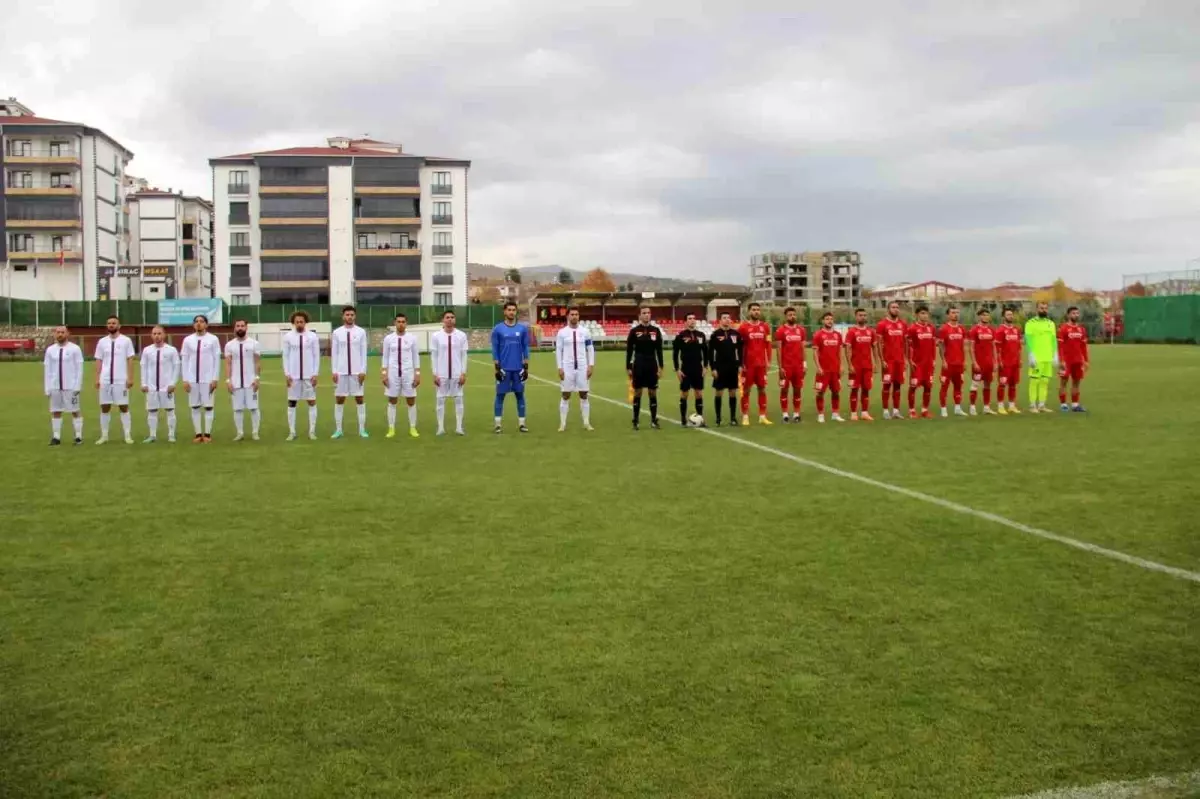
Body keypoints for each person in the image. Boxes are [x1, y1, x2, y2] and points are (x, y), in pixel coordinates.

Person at [93, 314, 135, 444]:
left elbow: (130, 359)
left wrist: (130, 378)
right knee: (105, 407)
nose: (111, 325)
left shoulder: (126, 341)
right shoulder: (102, 341)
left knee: (123, 406)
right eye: (109, 323)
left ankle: (127, 435)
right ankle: (104, 436)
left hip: (120, 380)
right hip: (105, 379)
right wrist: (97, 377)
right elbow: (99, 360)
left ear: (119, 325)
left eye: (114, 323)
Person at [180, 314, 222, 442]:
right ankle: (198, 434)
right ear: (193, 325)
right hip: (192, 379)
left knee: (208, 406)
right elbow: (185, 360)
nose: (199, 323)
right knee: (195, 406)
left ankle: (207, 434)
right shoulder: (187, 340)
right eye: (196, 321)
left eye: (202, 321)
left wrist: (215, 378)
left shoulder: (213, 339)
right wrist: (185, 379)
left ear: (206, 324)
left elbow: (217, 360)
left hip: (207, 379)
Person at [491, 301, 531, 433]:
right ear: (504, 311)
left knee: (520, 395)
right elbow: (495, 348)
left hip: (518, 368)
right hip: (504, 368)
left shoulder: (522, 329)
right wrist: (497, 367)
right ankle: (497, 424)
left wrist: (526, 366)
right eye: (509, 310)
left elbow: (525, 347)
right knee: (500, 396)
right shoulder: (498, 329)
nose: (511, 312)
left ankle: (522, 424)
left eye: (514, 310)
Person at [330, 305, 369, 439]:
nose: (349, 317)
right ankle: (339, 429)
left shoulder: (361, 332)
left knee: (359, 399)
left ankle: (362, 430)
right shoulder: (336, 333)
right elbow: (334, 353)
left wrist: (363, 371)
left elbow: (363, 353)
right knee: (339, 399)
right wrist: (334, 371)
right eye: (347, 314)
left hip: (357, 372)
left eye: (352, 314)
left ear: (355, 316)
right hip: (341, 372)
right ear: (343, 316)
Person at [380, 313, 421, 438]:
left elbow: (415, 357)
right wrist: (384, 374)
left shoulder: (412, 338)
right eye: (398, 321)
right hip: (392, 373)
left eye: (403, 321)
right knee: (392, 400)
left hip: (408, 373)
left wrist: (417, 374)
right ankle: (391, 428)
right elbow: (385, 357)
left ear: (406, 323)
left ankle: (412, 427)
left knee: (411, 400)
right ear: (395, 323)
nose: (401, 324)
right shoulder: (388, 339)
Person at [282, 310, 321, 440]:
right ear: (293, 322)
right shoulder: (288, 337)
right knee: (292, 402)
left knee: (311, 402)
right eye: (297, 321)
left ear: (305, 322)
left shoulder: (312, 337)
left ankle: (312, 431)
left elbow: (316, 356)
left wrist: (315, 373)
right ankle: (292, 432)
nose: (299, 324)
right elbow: (285, 356)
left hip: (308, 376)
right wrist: (287, 374)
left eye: (302, 321)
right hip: (293, 376)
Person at [555, 307, 595, 432]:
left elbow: (590, 349)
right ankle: (562, 424)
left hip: (582, 366)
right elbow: (558, 350)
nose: (574, 316)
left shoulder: (585, 331)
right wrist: (560, 367)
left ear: (579, 316)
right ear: (568, 316)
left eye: (576, 314)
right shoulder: (562, 332)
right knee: (566, 394)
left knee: (584, 394)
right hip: (567, 367)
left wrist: (591, 365)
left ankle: (586, 423)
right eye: (572, 314)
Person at [625, 305, 664, 430]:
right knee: (638, 392)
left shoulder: (656, 330)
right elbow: (629, 350)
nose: (647, 315)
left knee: (652, 392)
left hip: (652, 364)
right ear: (640, 316)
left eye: (648, 312)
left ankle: (653, 420)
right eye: (644, 313)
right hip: (639, 364)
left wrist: (661, 366)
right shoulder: (634, 331)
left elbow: (659, 350)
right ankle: (635, 420)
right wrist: (628, 366)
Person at [43, 325, 84, 445]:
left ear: (68, 334)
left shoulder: (75, 349)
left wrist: (78, 385)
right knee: (56, 411)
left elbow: (79, 368)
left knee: (75, 411)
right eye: (58, 332)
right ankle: (56, 437)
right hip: (55, 386)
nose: (60, 334)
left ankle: (78, 437)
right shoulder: (50, 350)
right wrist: (47, 387)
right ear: (54, 334)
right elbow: (48, 369)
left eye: (62, 332)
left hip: (70, 386)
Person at [430, 310, 468, 435]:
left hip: (457, 373)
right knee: (440, 400)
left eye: (452, 317)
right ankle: (440, 427)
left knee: (459, 399)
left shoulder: (461, 335)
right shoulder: (436, 336)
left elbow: (464, 355)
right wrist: (435, 373)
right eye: (447, 317)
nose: (450, 319)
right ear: (443, 320)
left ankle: (459, 427)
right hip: (442, 373)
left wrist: (463, 372)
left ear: (455, 320)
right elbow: (434, 356)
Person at [140, 325, 179, 443]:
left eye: (159, 333)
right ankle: (152, 435)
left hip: (166, 386)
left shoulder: (171, 350)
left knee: (170, 410)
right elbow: (144, 367)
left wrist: (173, 383)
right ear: (151, 335)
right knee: (152, 411)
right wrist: (143, 383)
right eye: (154, 334)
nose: (157, 336)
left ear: (164, 335)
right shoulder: (147, 350)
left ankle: (171, 435)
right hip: (151, 386)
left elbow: (176, 367)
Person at [224, 319, 262, 441]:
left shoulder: (254, 343)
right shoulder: (229, 345)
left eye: (242, 326)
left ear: (246, 327)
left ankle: (255, 432)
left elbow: (257, 362)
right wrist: (228, 381)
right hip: (236, 382)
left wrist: (257, 378)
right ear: (235, 328)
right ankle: (239, 433)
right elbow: (228, 364)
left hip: (251, 382)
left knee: (254, 408)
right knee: (237, 409)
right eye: (238, 326)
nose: (240, 328)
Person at [737, 302, 772, 425]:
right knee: (746, 390)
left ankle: (762, 416)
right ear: (749, 312)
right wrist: (741, 364)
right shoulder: (743, 328)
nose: (756, 311)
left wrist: (768, 361)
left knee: (762, 389)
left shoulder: (765, 327)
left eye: (758, 309)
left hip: (761, 365)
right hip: (748, 365)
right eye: (753, 309)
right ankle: (745, 416)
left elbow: (768, 345)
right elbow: (739, 347)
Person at [672, 313, 707, 427]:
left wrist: (705, 366)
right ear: (685, 322)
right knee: (684, 394)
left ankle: (700, 419)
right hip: (685, 368)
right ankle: (683, 419)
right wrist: (677, 369)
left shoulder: (701, 335)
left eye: (694, 318)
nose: (692, 320)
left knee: (699, 393)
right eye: (689, 319)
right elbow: (675, 353)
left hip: (698, 368)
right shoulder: (681, 335)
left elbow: (706, 352)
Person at [707, 312, 742, 426]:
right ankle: (718, 418)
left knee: (732, 393)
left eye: (728, 318)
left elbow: (740, 351)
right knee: (719, 393)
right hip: (720, 368)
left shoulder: (736, 334)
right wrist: (713, 368)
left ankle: (733, 418)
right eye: (724, 318)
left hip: (733, 367)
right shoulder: (715, 334)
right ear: (720, 320)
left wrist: (740, 365)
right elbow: (710, 353)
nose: (727, 320)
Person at [875, 301, 907, 420]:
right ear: (888, 309)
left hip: (899, 361)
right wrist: (882, 359)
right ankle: (885, 411)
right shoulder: (882, 324)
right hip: (888, 361)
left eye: (897, 307)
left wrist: (905, 359)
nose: (895, 309)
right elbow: (878, 344)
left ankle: (896, 411)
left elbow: (905, 343)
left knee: (898, 385)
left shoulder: (903, 324)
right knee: (887, 385)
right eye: (893, 307)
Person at [1024, 300, 1057, 413]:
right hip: (1037, 357)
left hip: (1048, 357)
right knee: (1034, 381)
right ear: (1037, 309)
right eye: (1041, 308)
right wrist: (1031, 354)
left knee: (1045, 381)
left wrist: (1055, 354)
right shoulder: (1030, 323)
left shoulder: (1051, 323)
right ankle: (1033, 405)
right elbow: (1028, 340)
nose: (1044, 310)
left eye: (1045, 308)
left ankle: (1042, 405)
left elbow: (1053, 340)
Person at [774, 307, 807, 423]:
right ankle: (785, 414)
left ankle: (797, 414)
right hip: (786, 366)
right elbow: (778, 350)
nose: (792, 316)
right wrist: (780, 367)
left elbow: (803, 348)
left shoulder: (801, 330)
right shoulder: (780, 331)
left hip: (798, 366)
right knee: (784, 390)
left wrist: (805, 363)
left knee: (797, 389)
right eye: (790, 315)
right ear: (785, 316)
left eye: (794, 314)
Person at [811, 312, 844, 423]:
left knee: (836, 392)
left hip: (835, 369)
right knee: (820, 392)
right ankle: (820, 415)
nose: (829, 321)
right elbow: (815, 352)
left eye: (831, 319)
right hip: (823, 370)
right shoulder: (818, 335)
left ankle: (835, 413)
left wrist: (841, 365)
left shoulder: (838, 335)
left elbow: (840, 351)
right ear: (823, 321)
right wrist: (818, 367)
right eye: (827, 319)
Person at [845, 308, 877, 421]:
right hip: (855, 366)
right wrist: (849, 364)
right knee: (854, 389)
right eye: (860, 315)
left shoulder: (871, 331)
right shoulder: (851, 331)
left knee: (866, 389)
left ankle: (864, 412)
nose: (863, 317)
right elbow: (847, 349)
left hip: (867, 366)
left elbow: (874, 348)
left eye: (864, 315)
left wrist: (875, 362)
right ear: (856, 317)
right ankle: (853, 413)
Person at [1057, 305, 1089, 413]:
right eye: (1073, 313)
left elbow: (1083, 346)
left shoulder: (1081, 329)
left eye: (1077, 313)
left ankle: (1075, 405)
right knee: (1063, 382)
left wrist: (1086, 360)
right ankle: (1063, 404)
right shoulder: (1063, 328)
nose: (1076, 315)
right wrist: (1061, 360)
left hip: (1078, 361)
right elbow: (1060, 346)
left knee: (1076, 382)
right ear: (1068, 315)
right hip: (1066, 361)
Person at [906, 306, 937, 419]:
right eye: (922, 313)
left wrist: (934, 359)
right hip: (917, 363)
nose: (925, 315)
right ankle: (912, 410)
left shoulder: (931, 328)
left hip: (928, 363)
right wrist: (910, 360)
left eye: (926, 313)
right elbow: (908, 346)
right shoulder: (912, 328)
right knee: (913, 386)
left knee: (928, 387)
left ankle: (925, 410)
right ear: (917, 315)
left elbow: (933, 345)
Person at [937, 307, 968, 417]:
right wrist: (943, 360)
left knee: (959, 386)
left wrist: (964, 361)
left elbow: (963, 346)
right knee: (944, 386)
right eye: (953, 312)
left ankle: (957, 408)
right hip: (948, 363)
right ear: (948, 315)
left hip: (959, 363)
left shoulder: (962, 329)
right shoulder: (944, 329)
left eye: (957, 312)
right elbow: (940, 346)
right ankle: (943, 409)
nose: (955, 314)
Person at [967, 309, 998, 416]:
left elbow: (993, 346)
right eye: (983, 315)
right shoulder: (974, 330)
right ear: (979, 316)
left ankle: (986, 407)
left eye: (987, 315)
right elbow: (971, 348)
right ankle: (972, 407)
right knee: (974, 385)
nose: (986, 317)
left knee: (987, 385)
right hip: (979, 363)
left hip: (989, 363)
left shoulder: (991, 330)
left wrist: (995, 361)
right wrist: (974, 362)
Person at [995, 307, 1023, 415]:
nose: (1010, 316)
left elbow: (1019, 346)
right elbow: (997, 348)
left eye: (1011, 314)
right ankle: (1000, 406)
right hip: (1005, 363)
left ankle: (1012, 406)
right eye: (1008, 315)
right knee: (1002, 384)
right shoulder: (1000, 330)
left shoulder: (1016, 329)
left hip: (1015, 362)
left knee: (1013, 384)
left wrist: (1020, 359)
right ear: (1003, 317)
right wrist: (999, 361)